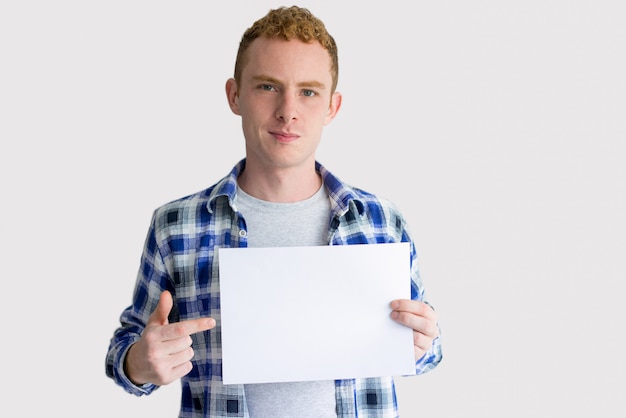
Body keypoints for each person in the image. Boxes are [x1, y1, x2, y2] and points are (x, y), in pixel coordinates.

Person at [105, 5, 442, 417]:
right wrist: (140, 361)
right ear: (234, 95)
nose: (288, 110)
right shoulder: (177, 226)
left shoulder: (379, 222)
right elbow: (125, 354)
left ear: (332, 107)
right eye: (267, 87)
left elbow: (427, 354)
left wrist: (423, 341)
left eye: (308, 91)